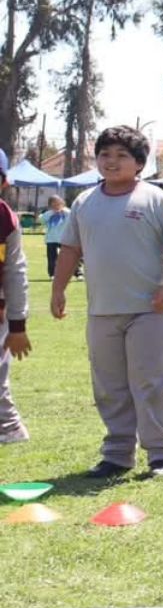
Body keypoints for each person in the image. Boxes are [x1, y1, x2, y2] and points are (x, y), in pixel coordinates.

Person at [50, 126, 163, 479]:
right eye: (104, 155)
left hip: (151, 311)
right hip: (101, 311)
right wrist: (58, 290)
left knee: (150, 382)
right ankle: (117, 455)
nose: (111, 162)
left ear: (140, 164)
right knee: (109, 386)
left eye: (121, 156)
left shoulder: (156, 199)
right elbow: (70, 250)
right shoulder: (84, 202)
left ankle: (160, 454)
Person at [0, 149, 32, 446]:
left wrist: (18, 325)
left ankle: (9, 427)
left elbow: (15, 271)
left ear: (4, 182)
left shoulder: (5, 219)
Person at [38, 195, 70, 279]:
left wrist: (63, 210)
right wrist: (51, 212)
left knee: (69, 256)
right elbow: (41, 220)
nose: (56, 206)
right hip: (51, 239)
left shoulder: (66, 212)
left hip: (64, 238)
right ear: (50, 205)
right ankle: (52, 274)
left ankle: (78, 273)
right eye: (53, 204)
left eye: (58, 203)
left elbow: (72, 217)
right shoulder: (48, 213)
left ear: (62, 203)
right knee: (51, 258)